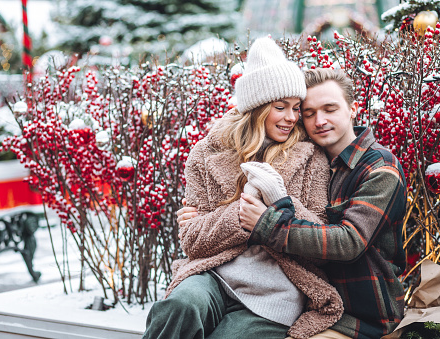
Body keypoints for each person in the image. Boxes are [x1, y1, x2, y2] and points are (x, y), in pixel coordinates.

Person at [179, 68, 407, 339]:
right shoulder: (313, 157)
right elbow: (258, 118)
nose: (319, 120)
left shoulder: (380, 168)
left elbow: (349, 242)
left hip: (361, 314)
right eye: (308, 113)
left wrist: (267, 222)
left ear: (353, 109)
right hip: (310, 300)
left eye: (330, 109)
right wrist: (201, 218)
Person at [143, 38, 343, 339]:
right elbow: (193, 241)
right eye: (280, 107)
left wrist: (279, 203)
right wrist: (240, 216)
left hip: (277, 289)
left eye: (295, 108)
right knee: (180, 306)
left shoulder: (310, 157)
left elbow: (319, 244)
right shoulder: (207, 153)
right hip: (215, 275)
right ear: (257, 107)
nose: (291, 118)